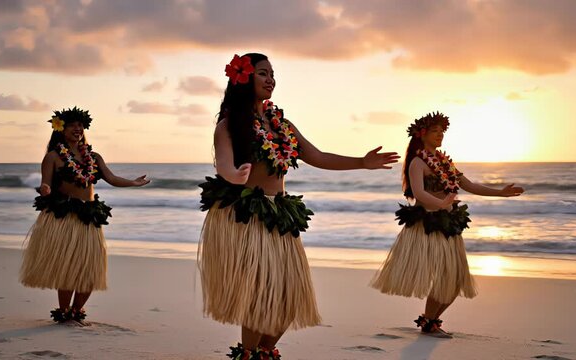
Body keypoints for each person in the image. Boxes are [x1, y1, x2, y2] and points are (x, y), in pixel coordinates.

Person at [198, 53, 400, 359]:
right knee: (259, 296)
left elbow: (317, 157)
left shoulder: (282, 124)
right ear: (244, 79)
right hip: (249, 218)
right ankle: (250, 354)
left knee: (290, 299)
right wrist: (233, 176)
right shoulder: (229, 125)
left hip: (280, 216)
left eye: (272, 74)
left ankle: (263, 351)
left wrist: (362, 162)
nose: (271, 79)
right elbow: (224, 163)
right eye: (263, 73)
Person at [369, 112, 524, 338]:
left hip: (448, 225)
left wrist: (500, 193)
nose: (441, 134)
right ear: (422, 135)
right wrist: (442, 204)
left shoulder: (445, 163)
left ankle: (430, 321)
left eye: (443, 131)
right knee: (444, 277)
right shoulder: (417, 162)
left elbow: (469, 185)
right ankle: (430, 324)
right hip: (429, 226)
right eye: (435, 131)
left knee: (456, 279)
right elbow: (420, 194)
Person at [19, 107, 150, 326]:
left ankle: (77, 311)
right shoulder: (52, 157)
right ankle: (64, 313)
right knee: (68, 267)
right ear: (61, 128)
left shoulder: (94, 157)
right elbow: (46, 183)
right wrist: (44, 189)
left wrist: (133, 182)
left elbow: (111, 178)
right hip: (65, 218)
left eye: (80, 125)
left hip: (89, 217)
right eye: (72, 125)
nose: (77, 129)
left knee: (90, 269)